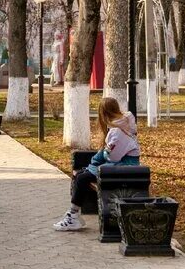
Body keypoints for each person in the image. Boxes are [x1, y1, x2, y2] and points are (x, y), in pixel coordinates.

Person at [54, 97, 140, 231]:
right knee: (82, 175)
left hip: (125, 168)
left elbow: (113, 157)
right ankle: (73, 214)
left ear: (103, 113)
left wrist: (103, 154)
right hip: (124, 167)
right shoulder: (122, 124)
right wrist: (103, 154)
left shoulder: (117, 130)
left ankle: (73, 216)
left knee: (82, 178)